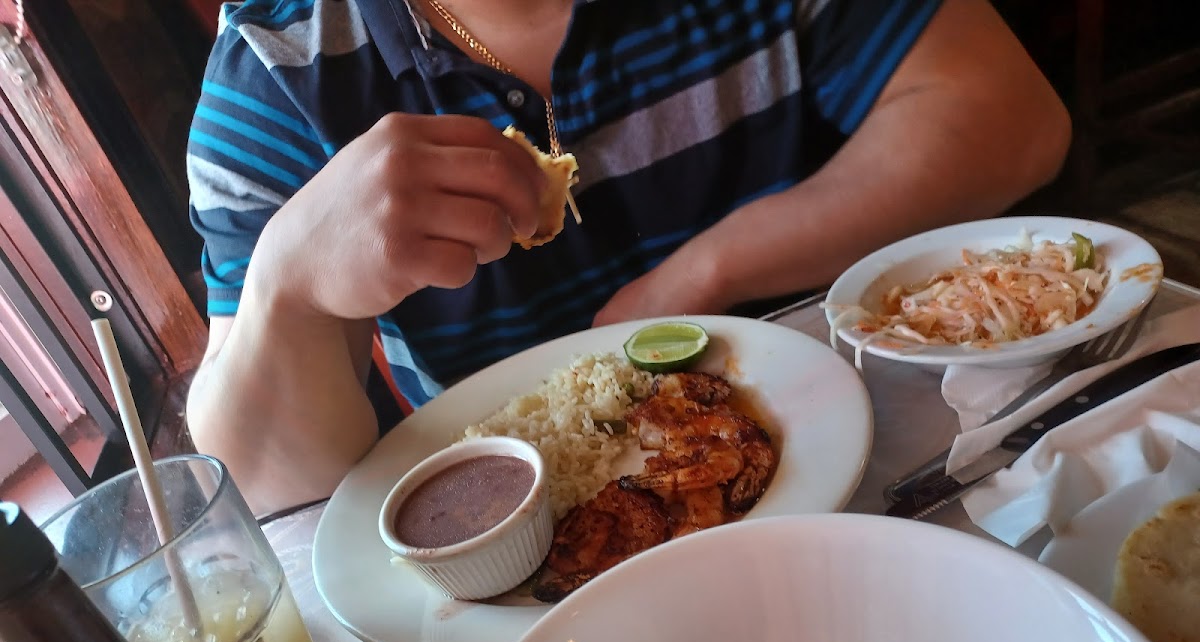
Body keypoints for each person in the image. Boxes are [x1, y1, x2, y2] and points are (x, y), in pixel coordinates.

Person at [186, 0, 1071, 514]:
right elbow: (270, 486)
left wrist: (705, 272)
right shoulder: (273, 68)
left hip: (872, 462)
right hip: (536, 567)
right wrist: (286, 289)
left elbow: (1011, 117)